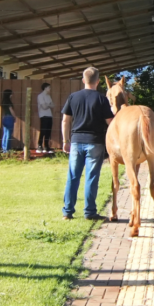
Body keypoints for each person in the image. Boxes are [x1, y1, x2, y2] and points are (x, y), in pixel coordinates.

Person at [61, 67, 114, 220]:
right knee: (91, 177)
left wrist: (66, 141)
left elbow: (65, 120)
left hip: (76, 142)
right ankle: (90, 212)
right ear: (97, 82)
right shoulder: (101, 99)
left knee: (72, 176)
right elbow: (110, 122)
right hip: (95, 142)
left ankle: (68, 212)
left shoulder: (73, 97)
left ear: (83, 80)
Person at [37, 82, 54, 154]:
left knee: (48, 131)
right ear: (45, 88)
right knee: (43, 131)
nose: (50, 89)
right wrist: (48, 105)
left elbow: (53, 105)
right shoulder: (40, 96)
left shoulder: (48, 96)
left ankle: (46, 146)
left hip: (49, 115)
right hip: (43, 115)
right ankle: (40, 145)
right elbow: (44, 107)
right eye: (49, 87)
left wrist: (48, 105)